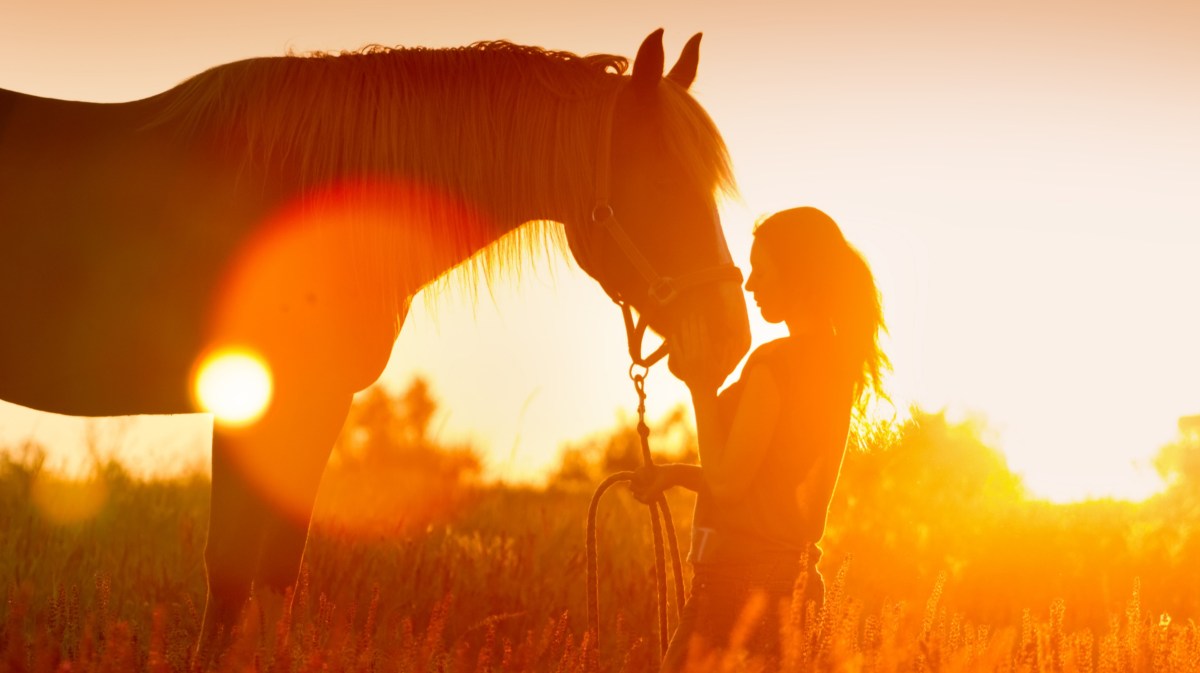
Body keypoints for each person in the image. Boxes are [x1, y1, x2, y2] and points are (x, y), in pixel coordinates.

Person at [631, 206, 889, 670]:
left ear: (797, 275)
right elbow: (762, 480)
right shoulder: (834, 365)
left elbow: (729, 482)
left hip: (736, 593)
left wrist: (701, 387)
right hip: (792, 582)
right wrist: (676, 474)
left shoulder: (775, 365)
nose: (749, 286)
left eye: (760, 272)